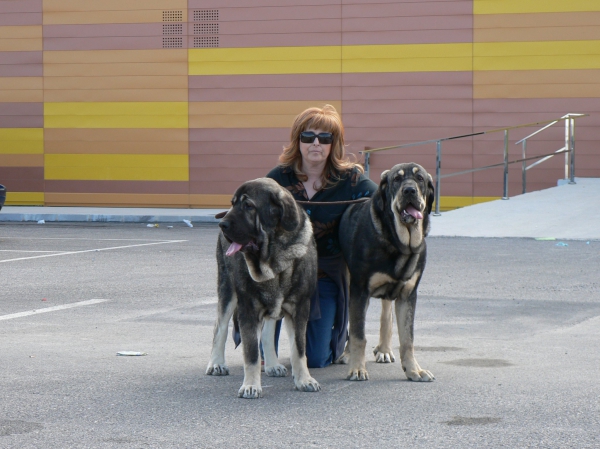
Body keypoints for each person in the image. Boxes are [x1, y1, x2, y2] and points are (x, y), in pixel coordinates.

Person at [266, 104, 377, 368]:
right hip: (280, 274)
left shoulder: (350, 180)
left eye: (324, 138)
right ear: (298, 140)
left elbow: (382, 201)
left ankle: (337, 337)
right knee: (261, 359)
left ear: (333, 143)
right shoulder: (278, 178)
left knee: (316, 360)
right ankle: (263, 345)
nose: (316, 143)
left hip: (323, 275)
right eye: (308, 136)